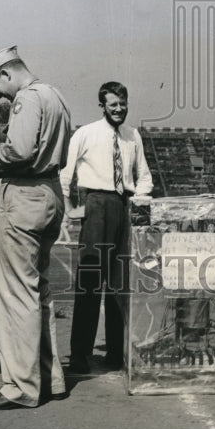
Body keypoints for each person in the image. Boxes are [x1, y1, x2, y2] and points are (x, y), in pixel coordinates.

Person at [0, 46, 71, 409]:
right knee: (38, 292)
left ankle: (20, 388)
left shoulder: (27, 98)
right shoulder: (54, 94)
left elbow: (20, 152)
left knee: (16, 296)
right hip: (50, 194)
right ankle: (50, 379)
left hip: (25, 197)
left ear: (8, 74)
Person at [60, 81, 153, 373]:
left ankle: (116, 352)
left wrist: (138, 199)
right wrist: (69, 209)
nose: (119, 109)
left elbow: (146, 177)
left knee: (120, 284)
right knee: (89, 281)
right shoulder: (85, 133)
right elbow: (65, 174)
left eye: (123, 104)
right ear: (102, 105)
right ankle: (80, 354)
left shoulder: (132, 135)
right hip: (96, 205)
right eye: (113, 104)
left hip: (124, 206)